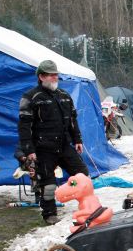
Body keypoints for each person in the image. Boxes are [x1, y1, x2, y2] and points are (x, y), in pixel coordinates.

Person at [18, 60, 89, 225]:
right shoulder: (30, 97)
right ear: (41, 77)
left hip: (64, 145)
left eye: (56, 74)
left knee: (82, 176)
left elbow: (72, 120)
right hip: (42, 149)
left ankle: (86, 205)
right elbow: (24, 126)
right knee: (48, 184)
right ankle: (49, 214)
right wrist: (29, 150)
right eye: (51, 75)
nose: (55, 77)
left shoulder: (64, 96)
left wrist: (77, 139)